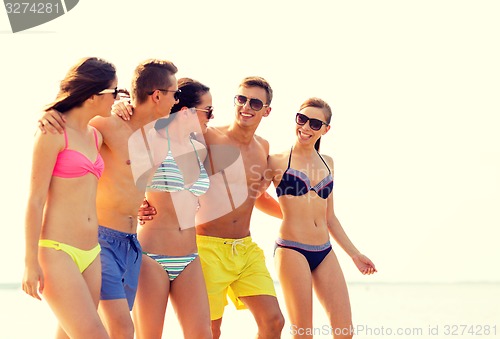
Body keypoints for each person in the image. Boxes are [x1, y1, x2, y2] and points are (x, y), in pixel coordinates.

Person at [38, 59, 179, 338]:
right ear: (157, 95)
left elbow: (128, 182)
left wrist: (142, 204)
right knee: (122, 330)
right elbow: (71, 121)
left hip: (130, 244)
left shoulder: (160, 140)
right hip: (99, 240)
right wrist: (45, 114)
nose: (177, 101)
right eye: (175, 93)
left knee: (70, 331)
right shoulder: (106, 124)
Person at [266, 98, 377, 339]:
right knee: (303, 334)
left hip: (324, 250)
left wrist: (355, 254)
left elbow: (330, 217)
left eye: (315, 123)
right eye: (301, 119)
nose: (305, 127)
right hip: (291, 249)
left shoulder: (328, 163)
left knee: (344, 331)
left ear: (326, 129)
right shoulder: (276, 160)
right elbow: (254, 199)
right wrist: (287, 213)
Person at [23, 57, 116, 338]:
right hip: (57, 251)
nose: (116, 97)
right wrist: (30, 262)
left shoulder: (96, 136)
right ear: (92, 97)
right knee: (95, 334)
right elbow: (35, 200)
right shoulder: (52, 132)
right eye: (114, 92)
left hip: (91, 252)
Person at [193, 77, 284, 338]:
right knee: (211, 330)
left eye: (255, 103)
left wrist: (293, 217)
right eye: (241, 99)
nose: (246, 106)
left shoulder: (262, 147)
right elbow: (165, 159)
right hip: (207, 247)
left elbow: (258, 196)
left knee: (273, 321)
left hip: (245, 250)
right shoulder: (208, 136)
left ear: (266, 111)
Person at [132, 78, 213, 339]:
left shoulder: (198, 148)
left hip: (190, 256)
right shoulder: (151, 141)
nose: (211, 117)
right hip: (152, 256)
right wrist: (134, 207)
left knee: (202, 334)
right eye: (208, 111)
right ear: (185, 111)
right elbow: (115, 181)